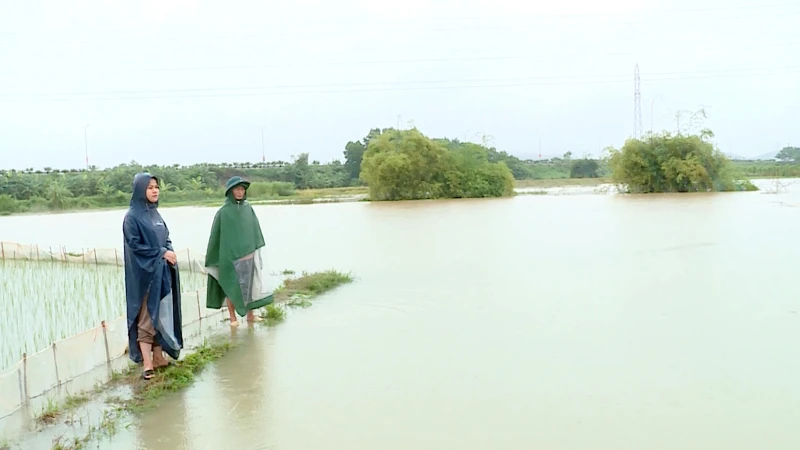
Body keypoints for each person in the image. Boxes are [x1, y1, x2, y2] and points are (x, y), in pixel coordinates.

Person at [123, 173, 184, 380]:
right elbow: (135, 246)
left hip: (162, 272)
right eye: (150, 187)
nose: (155, 190)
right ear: (140, 190)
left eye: (156, 187)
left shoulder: (157, 215)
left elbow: (165, 239)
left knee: (160, 315)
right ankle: (147, 364)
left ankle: (159, 358)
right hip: (145, 276)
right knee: (147, 317)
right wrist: (160, 253)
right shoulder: (132, 217)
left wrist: (169, 251)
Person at [205, 176, 274, 326]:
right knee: (231, 288)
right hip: (230, 259)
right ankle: (232, 318)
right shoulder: (223, 213)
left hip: (248, 257)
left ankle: (250, 315)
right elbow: (216, 238)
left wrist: (256, 253)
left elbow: (255, 233)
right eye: (237, 189)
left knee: (248, 289)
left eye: (242, 189)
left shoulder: (248, 209)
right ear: (230, 191)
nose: (240, 192)